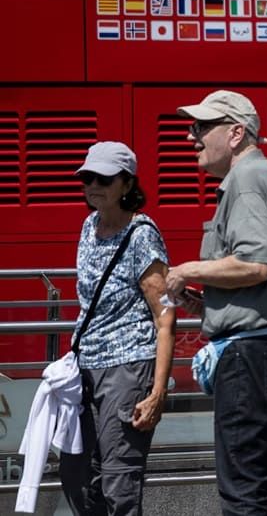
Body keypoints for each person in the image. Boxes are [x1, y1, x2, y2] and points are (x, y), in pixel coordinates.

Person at [164, 90, 267, 516]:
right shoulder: (265, 178)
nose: (192, 137)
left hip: (253, 355)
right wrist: (200, 304)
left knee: (243, 494)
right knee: (256, 487)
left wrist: (186, 270)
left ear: (235, 133)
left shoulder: (246, 181)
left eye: (202, 127)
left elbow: (256, 263)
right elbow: (258, 278)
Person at [60, 141, 175, 515]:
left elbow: (165, 317)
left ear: (126, 184)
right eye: (87, 178)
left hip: (128, 367)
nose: (93, 185)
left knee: (118, 482)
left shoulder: (142, 234)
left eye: (103, 179)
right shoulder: (88, 226)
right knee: (79, 477)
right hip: (85, 369)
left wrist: (157, 393)